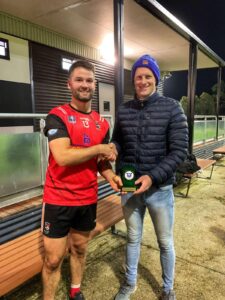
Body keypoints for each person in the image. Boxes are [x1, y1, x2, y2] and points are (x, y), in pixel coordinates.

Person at [41, 60, 121, 300]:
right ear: (69, 84)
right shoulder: (57, 116)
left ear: (94, 84)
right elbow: (63, 156)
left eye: (89, 80)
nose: (84, 85)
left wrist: (112, 176)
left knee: (80, 248)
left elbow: (99, 161)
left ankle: (76, 290)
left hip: (87, 198)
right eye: (79, 80)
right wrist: (100, 147)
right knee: (54, 259)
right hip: (58, 199)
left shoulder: (101, 122)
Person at [112, 54, 188, 300]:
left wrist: (152, 178)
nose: (142, 81)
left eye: (147, 76)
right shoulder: (124, 110)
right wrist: (113, 151)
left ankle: (167, 289)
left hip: (159, 189)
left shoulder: (172, 108)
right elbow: (118, 141)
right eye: (138, 77)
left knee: (164, 241)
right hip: (130, 186)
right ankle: (130, 283)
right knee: (132, 238)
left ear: (155, 79)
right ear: (133, 81)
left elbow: (179, 151)